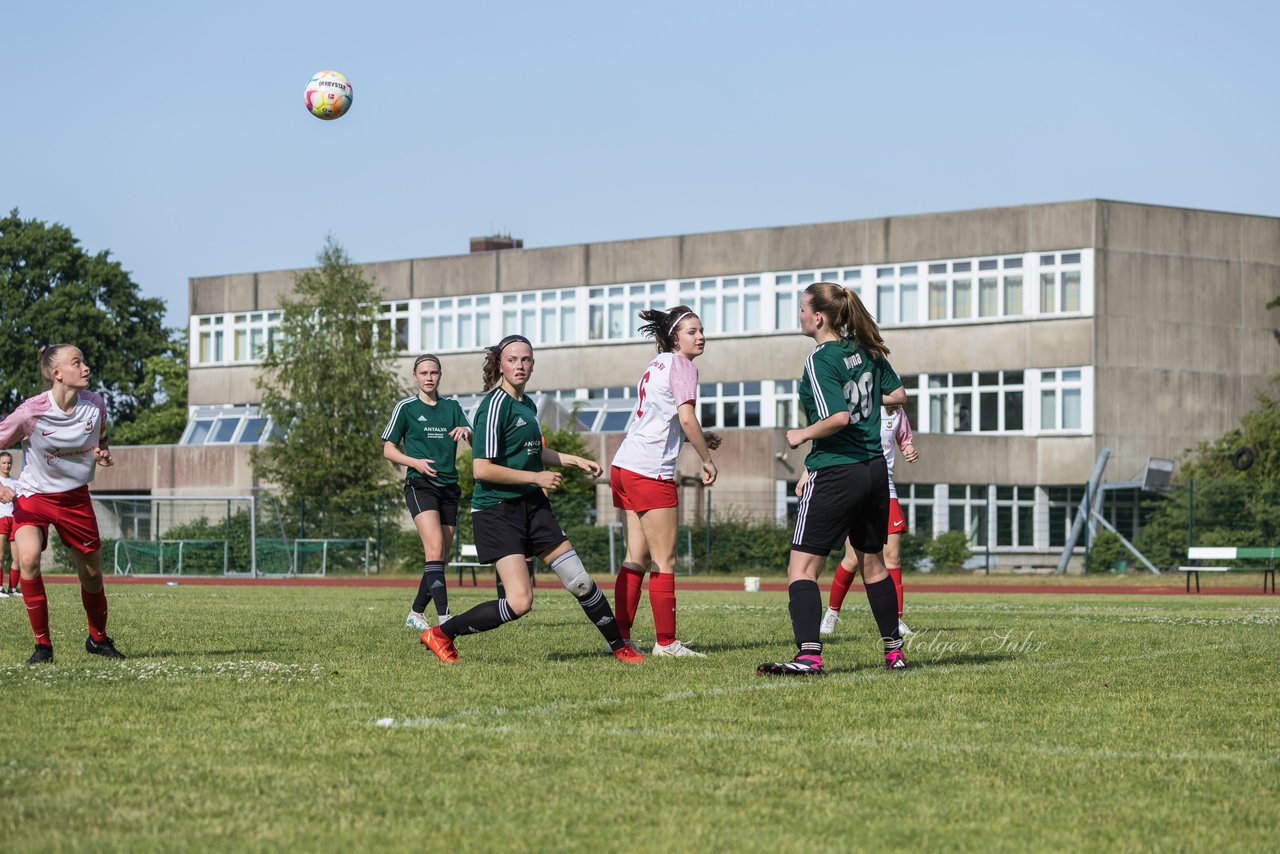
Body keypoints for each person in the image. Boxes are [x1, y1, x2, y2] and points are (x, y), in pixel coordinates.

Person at [420, 334, 643, 664]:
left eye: (526, 360)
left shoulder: (527, 405)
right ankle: (440, 633)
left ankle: (619, 645)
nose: (520, 365)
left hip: (532, 506)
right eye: (512, 360)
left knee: (579, 580)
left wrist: (572, 459)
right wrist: (536, 477)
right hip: (497, 511)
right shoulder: (494, 406)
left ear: (533, 364)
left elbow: (533, 451)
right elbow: (482, 469)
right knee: (520, 602)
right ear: (500, 365)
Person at [757, 283, 906, 676]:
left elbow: (838, 418)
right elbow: (898, 394)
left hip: (838, 470)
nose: (799, 315)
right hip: (874, 471)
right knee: (873, 565)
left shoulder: (820, 358)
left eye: (802, 309)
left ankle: (808, 656)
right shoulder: (867, 349)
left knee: (802, 570)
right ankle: (894, 652)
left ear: (818, 317)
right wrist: (868, 402)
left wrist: (801, 436)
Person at [0, 345, 124, 664]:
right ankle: (43, 647)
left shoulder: (95, 405)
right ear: (57, 373)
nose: (86, 367)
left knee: (93, 576)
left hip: (75, 499)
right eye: (77, 362)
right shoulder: (31, 412)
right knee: (27, 560)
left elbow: (102, 438)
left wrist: (102, 453)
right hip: (34, 496)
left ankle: (97, 638)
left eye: (84, 361)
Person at [610, 306, 719, 658]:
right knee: (665, 560)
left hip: (624, 464)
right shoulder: (684, 366)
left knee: (634, 558)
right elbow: (686, 418)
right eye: (691, 331)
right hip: (649, 470)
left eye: (701, 330)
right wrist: (706, 459)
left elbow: (661, 421)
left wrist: (702, 438)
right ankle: (666, 643)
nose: (700, 336)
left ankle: (622, 638)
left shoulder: (655, 364)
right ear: (674, 337)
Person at [382, 354, 472, 632]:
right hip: (420, 485)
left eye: (434, 372)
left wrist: (467, 430)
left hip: (449, 486)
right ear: (415, 376)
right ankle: (445, 619)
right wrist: (415, 463)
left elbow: (472, 433)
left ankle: (416, 612)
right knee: (433, 548)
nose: (429, 377)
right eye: (424, 373)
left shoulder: (452, 406)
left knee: (440, 555)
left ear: (440, 376)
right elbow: (388, 449)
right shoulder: (406, 407)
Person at [819, 404, 918, 636]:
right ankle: (832, 613)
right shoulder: (859, 407)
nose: (898, 399)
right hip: (857, 486)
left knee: (893, 557)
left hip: (886, 488)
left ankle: (896, 620)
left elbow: (905, 439)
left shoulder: (898, 412)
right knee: (853, 559)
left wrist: (909, 448)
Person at [0, 452, 19, 598]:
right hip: (1, 519)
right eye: (4, 462)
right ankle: (0, 589)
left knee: (17, 558)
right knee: (0, 556)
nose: (7, 465)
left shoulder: (15, 482)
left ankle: (12, 589)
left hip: (15, 520)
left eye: (9, 463)